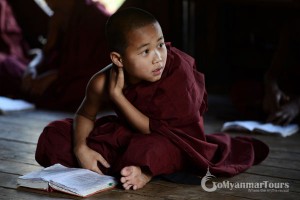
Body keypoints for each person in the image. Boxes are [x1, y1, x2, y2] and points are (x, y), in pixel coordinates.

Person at [35, 7, 269, 190]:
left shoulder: (179, 70)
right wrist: (81, 148)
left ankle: (144, 172)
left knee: (151, 147)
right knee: (54, 135)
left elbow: (153, 130)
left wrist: (118, 97)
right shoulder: (101, 81)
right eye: (145, 51)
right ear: (118, 59)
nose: (158, 58)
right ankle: (116, 165)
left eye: (160, 44)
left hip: (174, 139)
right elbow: (85, 114)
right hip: (127, 134)